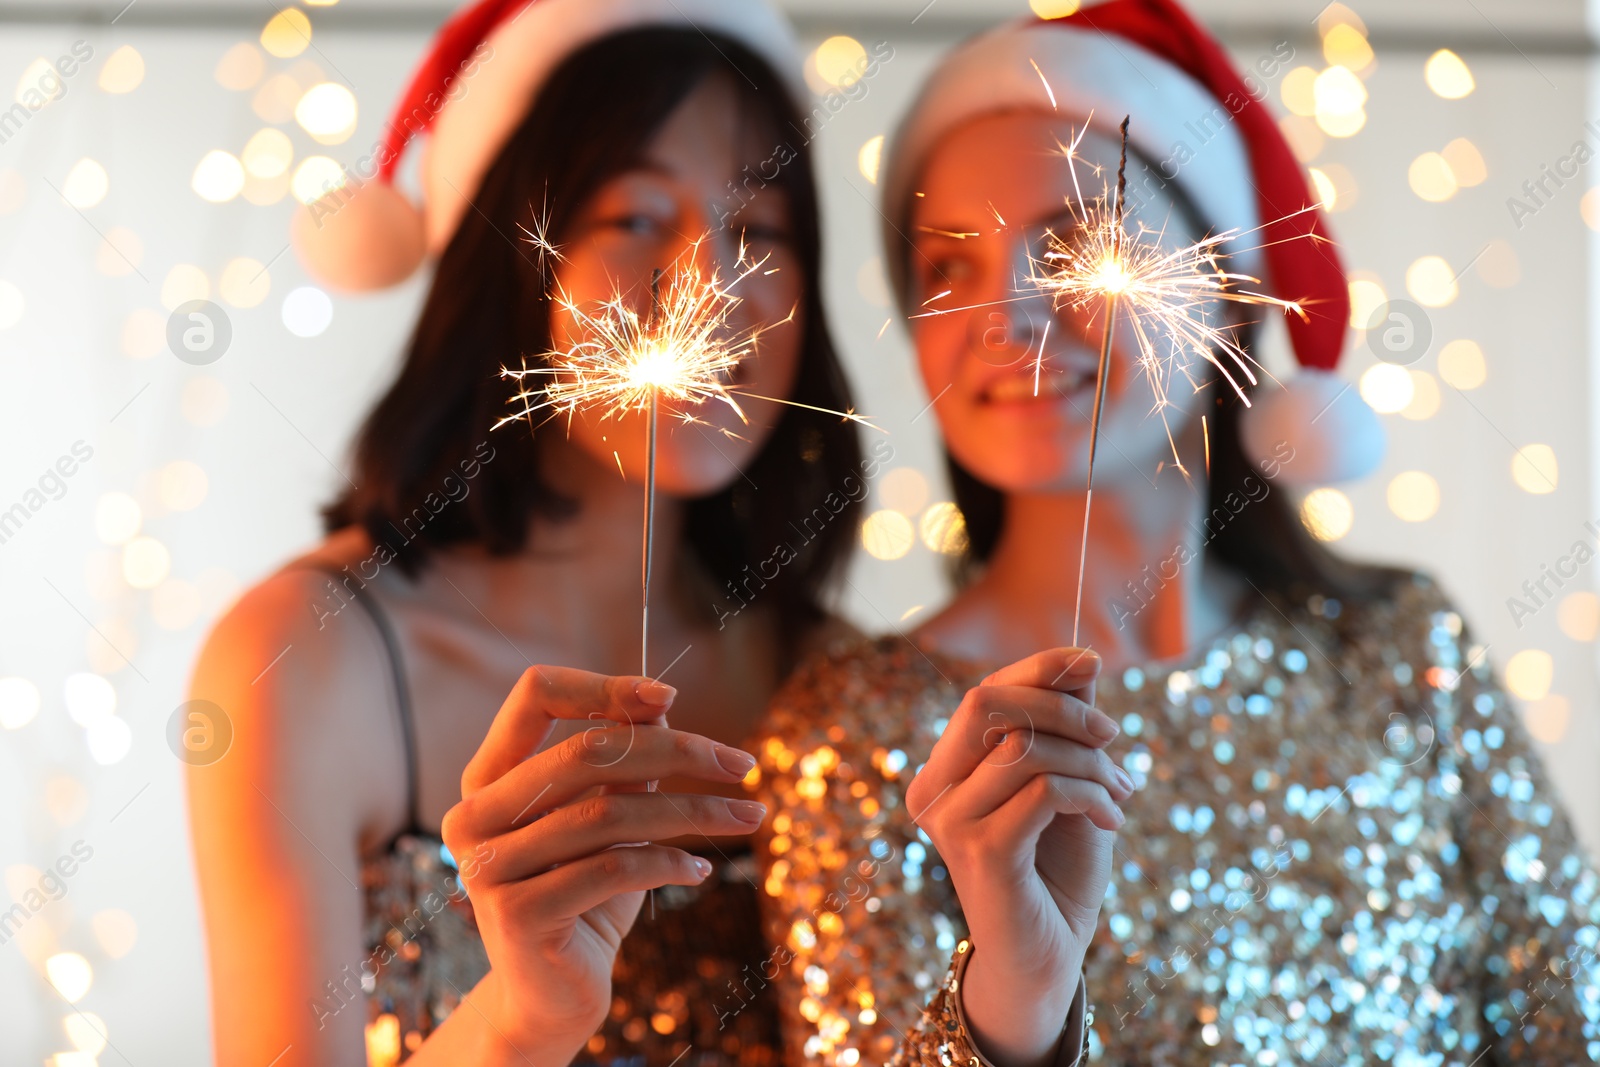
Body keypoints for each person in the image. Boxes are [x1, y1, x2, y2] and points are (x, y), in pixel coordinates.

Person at [751, 2, 1600, 1066]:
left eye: (1075, 245)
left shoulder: (1397, 647)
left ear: (1230, 293)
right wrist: (1013, 997)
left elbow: (1571, 1018)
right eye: (945, 268)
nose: (1004, 315)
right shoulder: (856, 730)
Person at [185, 2, 885, 1064]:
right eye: (638, 216)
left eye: (761, 231)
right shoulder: (308, 659)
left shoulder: (829, 680)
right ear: (511, 264)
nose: (713, 287)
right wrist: (521, 1019)